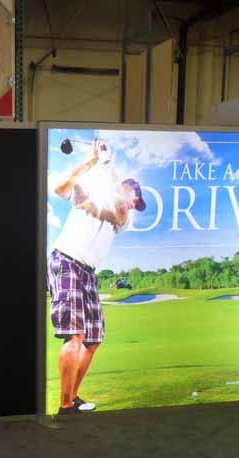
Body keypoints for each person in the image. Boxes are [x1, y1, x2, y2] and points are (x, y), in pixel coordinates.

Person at [50, 138, 145, 415]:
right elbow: (60, 188)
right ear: (125, 189)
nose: (134, 204)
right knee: (76, 334)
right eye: (134, 198)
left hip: (88, 272)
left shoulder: (124, 216)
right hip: (66, 260)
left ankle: (72, 397)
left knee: (93, 339)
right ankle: (65, 407)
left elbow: (117, 210)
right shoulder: (89, 195)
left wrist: (108, 164)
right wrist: (91, 161)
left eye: (136, 203)